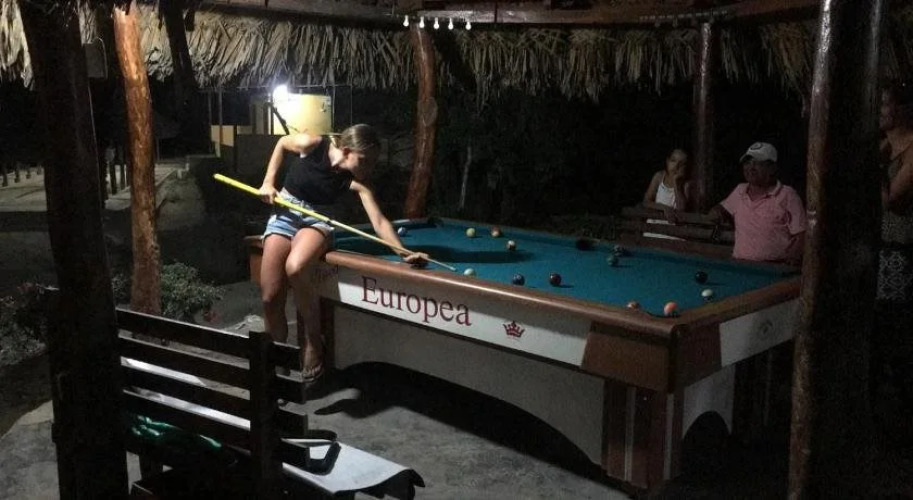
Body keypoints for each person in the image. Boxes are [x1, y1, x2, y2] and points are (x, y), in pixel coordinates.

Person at [258, 124, 428, 384]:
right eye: (365, 160)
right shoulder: (313, 145)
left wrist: (404, 252)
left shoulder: (357, 182)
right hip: (285, 212)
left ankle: (313, 341)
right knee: (270, 297)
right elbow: (282, 143)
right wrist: (268, 182)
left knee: (296, 267)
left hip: (317, 220)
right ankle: (276, 367)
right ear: (347, 151)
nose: (369, 168)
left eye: (373, 162)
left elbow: (379, 222)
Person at [873, 81, 913, 410]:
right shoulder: (882, 146)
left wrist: (873, 167)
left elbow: (892, 201)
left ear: (901, 109)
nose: (879, 111)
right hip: (876, 246)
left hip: (901, 251)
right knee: (876, 324)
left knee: (894, 325)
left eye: (884, 104)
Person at [708, 142, 807, 265]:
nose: (751, 168)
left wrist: (792, 260)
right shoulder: (740, 190)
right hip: (739, 264)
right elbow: (719, 210)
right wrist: (718, 213)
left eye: (758, 163)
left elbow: (802, 233)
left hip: (774, 267)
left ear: (772, 168)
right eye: (747, 163)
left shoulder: (787, 195)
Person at [640, 148, 693, 239]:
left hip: (675, 233)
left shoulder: (687, 184)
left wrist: (676, 183)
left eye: (681, 164)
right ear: (667, 161)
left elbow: (681, 209)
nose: (676, 166)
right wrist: (664, 208)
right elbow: (646, 201)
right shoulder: (659, 177)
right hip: (654, 229)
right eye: (673, 161)